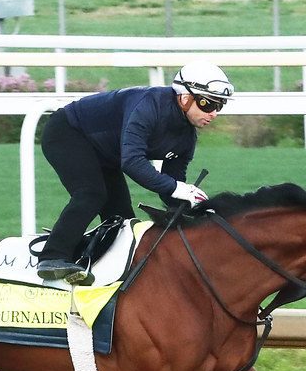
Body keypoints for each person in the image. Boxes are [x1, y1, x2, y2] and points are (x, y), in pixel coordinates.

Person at [35, 61, 235, 284]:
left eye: (220, 106)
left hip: (105, 151)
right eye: (208, 104)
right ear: (184, 97)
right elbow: (132, 162)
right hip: (67, 132)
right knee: (91, 194)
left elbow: (171, 188)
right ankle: (52, 257)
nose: (214, 113)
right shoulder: (149, 106)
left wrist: (193, 208)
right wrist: (177, 188)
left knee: (122, 220)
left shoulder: (186, 138)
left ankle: (90, 264)